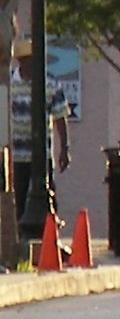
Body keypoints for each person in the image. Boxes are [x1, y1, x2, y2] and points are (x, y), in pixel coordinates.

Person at [9, 40, 72, 217]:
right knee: (19, 200)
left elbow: (60, 117)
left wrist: (65, 148)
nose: (33, 65)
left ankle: (50, 230)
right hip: (16, 155)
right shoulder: (9, 83)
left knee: (47, 197)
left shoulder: (50, 83)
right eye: (29, 60)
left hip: (42, 154)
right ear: (21, 61)